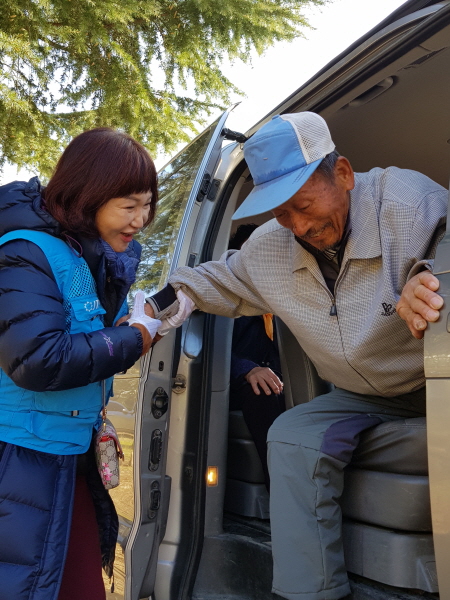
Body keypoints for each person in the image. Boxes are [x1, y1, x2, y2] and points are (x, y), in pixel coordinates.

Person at [143, 112, 448, 600]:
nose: (300, 225)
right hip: (361, 396)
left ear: (343, 174)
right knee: (290, 433)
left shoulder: (410, 204)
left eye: (305, 204)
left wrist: (433, 275)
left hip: (436, 381)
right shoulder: (270, 248)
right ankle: (311, 593)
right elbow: (210, 281)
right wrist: (153, 310)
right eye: (282, 213)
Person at [0, 128, 162, 600]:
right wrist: (135, 337)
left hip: (67, 455)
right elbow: (37, 360)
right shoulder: (25, 253)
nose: (141, 219)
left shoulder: (83, 254)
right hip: (22, 460)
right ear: (87, 195)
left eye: (147, 204)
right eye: (129, 205)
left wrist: (142, 319)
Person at [228, 223, 285, 490]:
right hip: (235, 383)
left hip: (280, 380)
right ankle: (279, 489)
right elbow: (212, 352)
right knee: (262, 391)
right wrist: (248, 369)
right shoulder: (226, 298)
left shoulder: (280, 295)